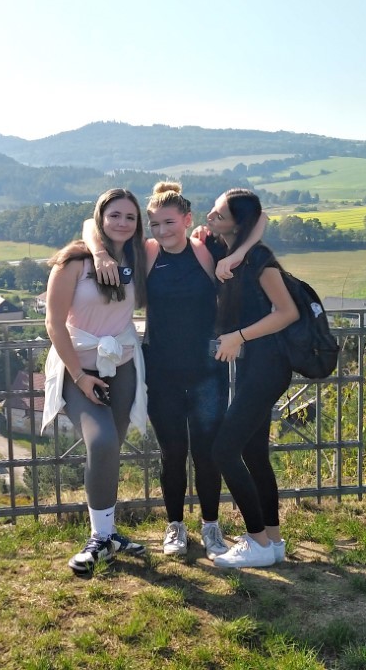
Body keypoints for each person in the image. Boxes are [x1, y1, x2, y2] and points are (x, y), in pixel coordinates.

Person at [86, 182, 264, 559]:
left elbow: (259, 219)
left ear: (187, 220)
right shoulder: (147, 252)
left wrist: (237, 254)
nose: (162, 231)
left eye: (169, 222)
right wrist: (100, 254)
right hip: (161, 369)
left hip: (208, 370)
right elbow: (91, 225)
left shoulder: (207, 248)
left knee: (208, 452)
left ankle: (211, 526)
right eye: (154, 224)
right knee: (172, 452)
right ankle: (175, 526)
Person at [42, 188, 150, 574]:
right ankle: (99, 538)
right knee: (101, 442)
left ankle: (108, 534)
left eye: (130, 217)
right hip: (79, 369)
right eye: (114, 215)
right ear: (101, 218)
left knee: (110, 449)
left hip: (122, 367)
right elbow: (54, 323)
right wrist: (79, 376)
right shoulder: (74, 262)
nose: (122, 223)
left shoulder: (137, 258)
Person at [205, 188, 299, 568]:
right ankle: (273, 542)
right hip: (254, 367)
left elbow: (287, 312)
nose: (210, 218)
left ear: (237, 224)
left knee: (224, 450)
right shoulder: (230, 250)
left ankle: (256, 541)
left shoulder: (260, 259)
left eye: (219, 215)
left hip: (268, 365)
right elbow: (260, 217)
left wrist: (238, 337)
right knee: (254, 453)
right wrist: (235, 250)